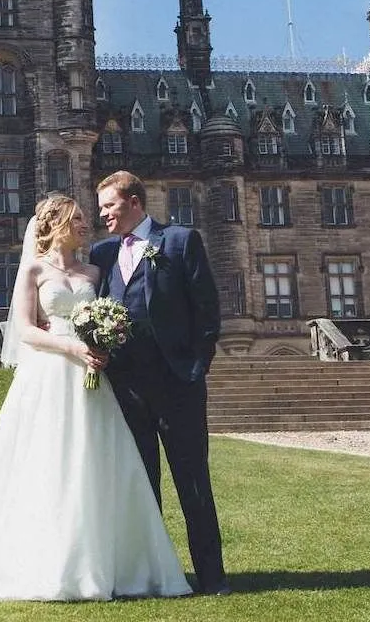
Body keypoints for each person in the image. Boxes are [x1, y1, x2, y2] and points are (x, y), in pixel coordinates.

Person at [0, 193, 191, 602]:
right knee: (46, 461)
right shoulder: (33, 268)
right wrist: (71, 347)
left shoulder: (95, 267)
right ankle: (44, 560)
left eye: (88, 217)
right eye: (79, 218)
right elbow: (25, 330)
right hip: (50, 371)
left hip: (91, 375)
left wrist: (103, 341)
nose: (88, 223)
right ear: (56, 224)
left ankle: (109, 561)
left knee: (95, 462)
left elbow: (111, 310)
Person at [92, 170, 227, 596]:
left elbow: (207, 310)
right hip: (126, 390)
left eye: (109, 206)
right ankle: (154, 576)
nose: (103, 216)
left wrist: (195, 369)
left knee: (193, 484)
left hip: (176, 386)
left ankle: (212, 577)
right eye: (100, 209)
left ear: (133, 202)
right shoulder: (103, 253)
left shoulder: (180, 241)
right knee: (142, 489)